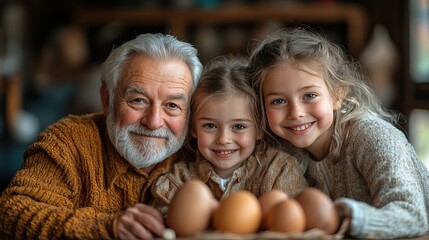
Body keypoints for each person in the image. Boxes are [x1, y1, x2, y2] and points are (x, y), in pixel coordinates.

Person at [0, 33, 203, 240]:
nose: (154, 122)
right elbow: (11, 213)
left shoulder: (201, 152)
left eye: (172, 106)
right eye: (138, 100)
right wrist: (107, 227)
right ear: (107, 100)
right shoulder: (69, 142)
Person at [248, 27, 429, 239]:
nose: (296, 113)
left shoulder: (372, 137)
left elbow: (413, 215)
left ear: (337, 94)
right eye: (278, 101)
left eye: (309, 95)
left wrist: (344, 215)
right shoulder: (282, 152)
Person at [149, 56, 308, 217]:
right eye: (209, 126)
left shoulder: (280, 170)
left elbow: (293, 221)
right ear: (193, 128)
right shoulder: (178, 179)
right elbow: (167, 223)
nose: (224, 139)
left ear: (259, 128)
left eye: (238, 127)